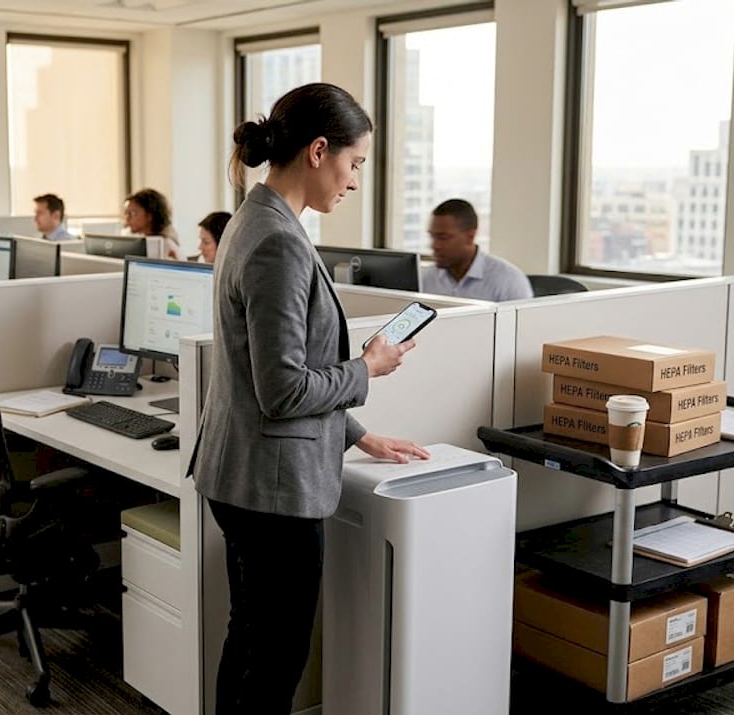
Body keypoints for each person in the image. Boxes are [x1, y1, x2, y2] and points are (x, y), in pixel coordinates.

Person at [189, 83, 429, 715]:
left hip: (239, 476)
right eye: (355, 163)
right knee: (275, 659)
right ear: (319, 151)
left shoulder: (254, 219)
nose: (354, 181)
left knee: (250, 639)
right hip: (271, 491)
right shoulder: (277, 243)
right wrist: (368, 366)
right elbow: (283, 389)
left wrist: (358, 434)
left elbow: (257, 370)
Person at [420, 199, 532, 301]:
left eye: (443, 238)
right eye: (432, 236)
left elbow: (524, 323)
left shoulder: (509, 280)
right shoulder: (425, 279)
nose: (435, 245)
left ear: (470, 237)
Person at [123, 188, 181, 259]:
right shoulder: (137, 241)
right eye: (126, 213)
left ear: (150, 216)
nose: (127, 218)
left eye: (132, 213)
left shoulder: (165, 246)